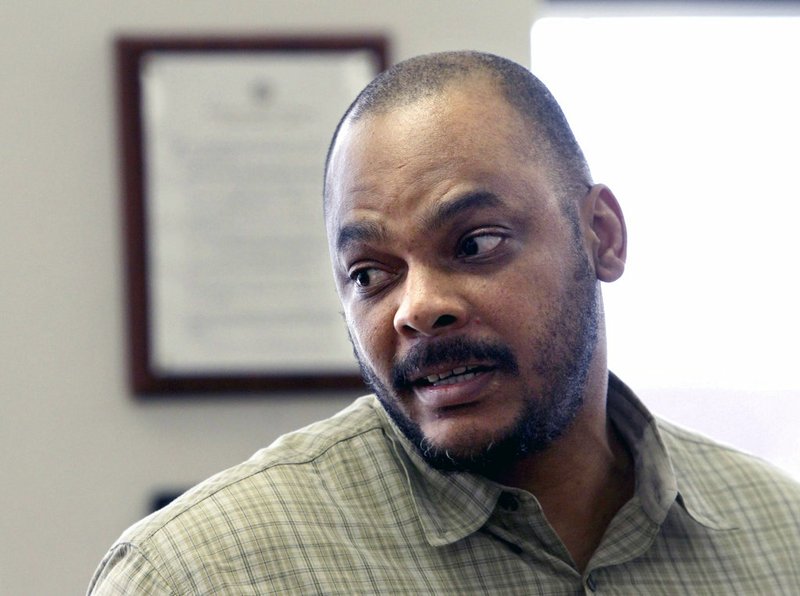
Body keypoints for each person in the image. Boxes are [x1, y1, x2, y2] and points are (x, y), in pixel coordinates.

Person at [88, 51, 800, 594]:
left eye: (475, 243)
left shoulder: (781, 536)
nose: (417, 307)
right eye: (371, 274)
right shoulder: (200, 574)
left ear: (602, 236)